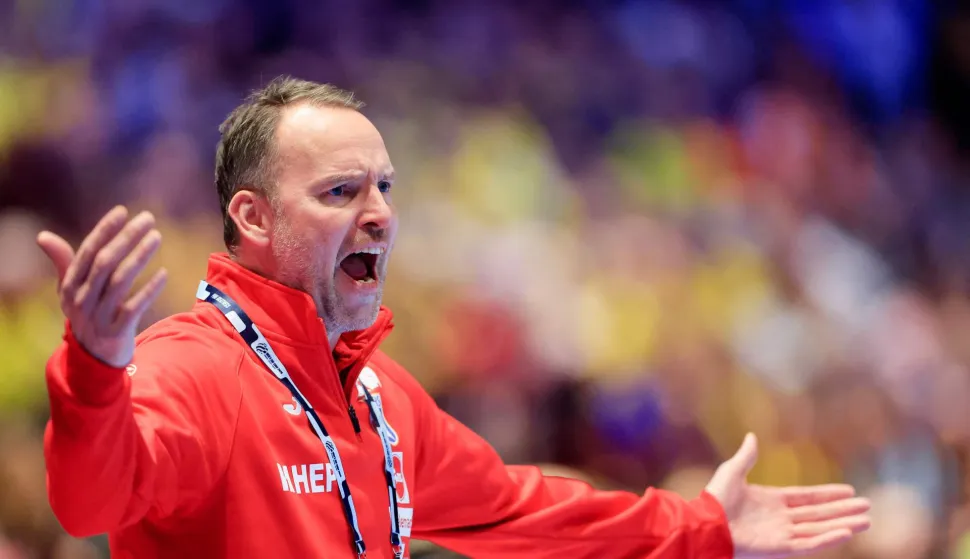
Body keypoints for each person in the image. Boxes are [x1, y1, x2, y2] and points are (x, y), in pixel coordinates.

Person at [37, 76, 871, 558]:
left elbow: (527, 510)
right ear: (254, 219)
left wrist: (704, 527)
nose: (379, 214)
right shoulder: (196, 367)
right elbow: (88, 501)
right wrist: (97, 371)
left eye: (384, 188)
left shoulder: (381, 400)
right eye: (339, 191)